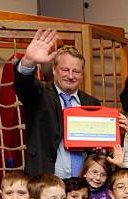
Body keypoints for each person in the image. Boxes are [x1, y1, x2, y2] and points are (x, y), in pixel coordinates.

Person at [13, 29, 101, 177]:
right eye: (65, 70)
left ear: (82, 74)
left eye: (76, 71)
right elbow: (23, 83)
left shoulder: (91, 103)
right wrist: (29, 61)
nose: (71, 76)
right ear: (54, 69)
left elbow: (96, 146)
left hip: (83, 185)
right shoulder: (39, 94)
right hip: (47, 181)